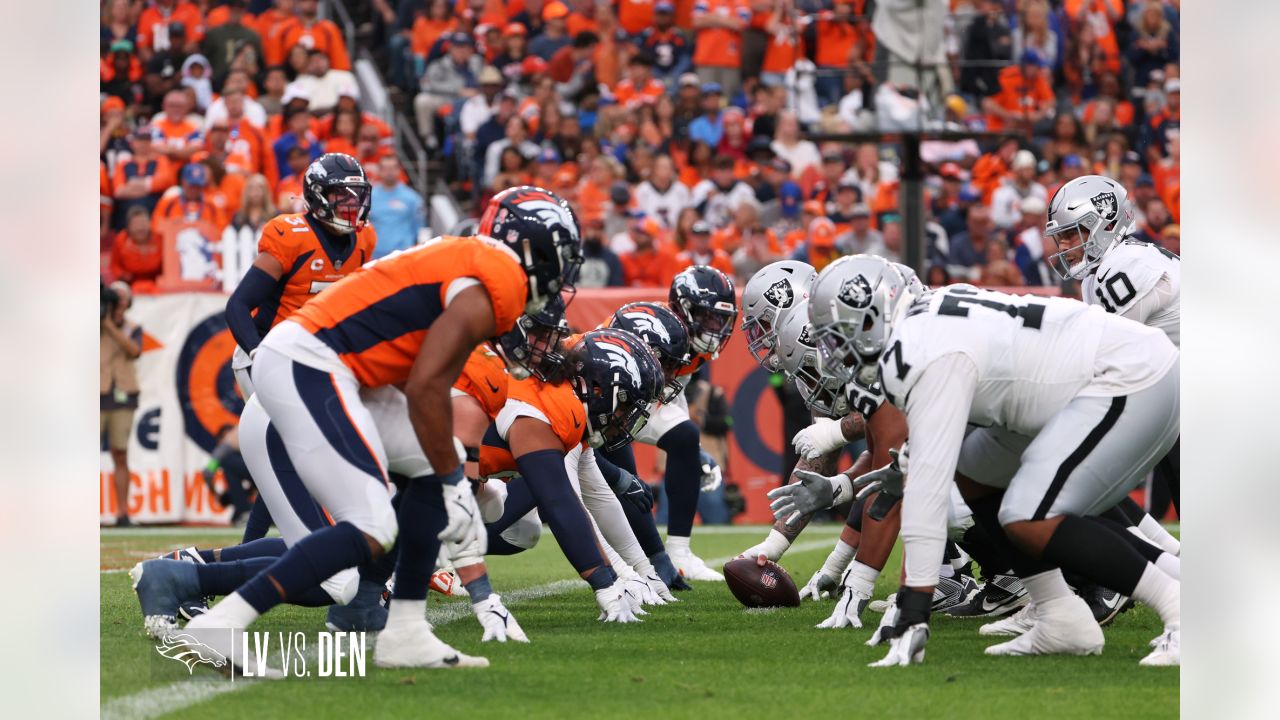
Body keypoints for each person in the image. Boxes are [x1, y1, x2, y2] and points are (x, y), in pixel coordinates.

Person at [178, 186, 583, 672]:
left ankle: (406, 632)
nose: (564, 271)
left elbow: (419, 377)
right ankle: (221, 622)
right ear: (534, 248)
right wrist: (457, 481)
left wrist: (447, 475)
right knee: (373, 523)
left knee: (432, 472)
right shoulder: (499, 280)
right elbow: (429, 387)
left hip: (345, 366)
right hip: (310, 359)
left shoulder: (476, 260)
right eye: (561, 255)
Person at [792, 259, 1180, 666]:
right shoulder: (927, 321)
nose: (836, 351)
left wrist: (912, 608)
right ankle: (1060, 616)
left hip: (1128, 375)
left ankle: (1180, 608)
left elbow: (927, 486)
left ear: (874, 317)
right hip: (1102, 377)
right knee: (973, 469)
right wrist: (904, 465)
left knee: (1030, 516)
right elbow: (939, 440)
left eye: (840, 336)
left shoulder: (921, 350)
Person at [599, 266, 739, 581]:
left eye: (722, 320)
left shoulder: (693, 344)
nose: (717, 328)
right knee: (621, 475)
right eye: (710, 317)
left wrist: (693, 450)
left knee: (685, 437)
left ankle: (677, 554)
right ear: (685, 309)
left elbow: (673, 390)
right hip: (601, 399)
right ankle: (636, 562)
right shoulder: (653, 328)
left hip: (638, 397)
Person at [224, 154, 379, 400]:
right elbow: (238, 305)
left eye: (356, 195)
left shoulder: (364, 238)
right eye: (342, 194)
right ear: (318, 195)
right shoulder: (291, 235)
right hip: (270, 348)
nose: (352, 203)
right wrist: (258, 353)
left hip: (318, 354)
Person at [101, 281, 143, 527]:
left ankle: (122, 512)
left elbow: (133, 350)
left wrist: (108, 324)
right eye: (114, 297)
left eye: (123, 297)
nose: (118, 302)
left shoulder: (132, 327)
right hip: (96, 393)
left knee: (120, 453)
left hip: (123, 395)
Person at [415, 32, 482, 148]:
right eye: (457, 47)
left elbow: (487, 79)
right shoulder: (439, 64)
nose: (461, 51)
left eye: (464, 47)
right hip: (449, 99)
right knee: (422, 100)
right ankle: (428, 137)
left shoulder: (477, 62)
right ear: (450, 48)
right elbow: (428, 85)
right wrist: (458, 90)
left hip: (474, 100)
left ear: (470, 49)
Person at [369, 155, 424, 259]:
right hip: (374, 255)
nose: (389, 172)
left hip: (403, 255)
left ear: (399, 170)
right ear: (379, 170)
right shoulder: (369, 197)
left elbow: (418, 227)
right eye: (386, 168)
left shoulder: (412, 198)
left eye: (393, 168)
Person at [109, 207, 164, 288]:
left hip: (158, 284)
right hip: (129, 284)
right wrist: (122, 275)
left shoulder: (161, 238)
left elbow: (168, 266)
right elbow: (114, 266)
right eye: (136, 224)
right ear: (128, 226)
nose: (140, 228)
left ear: (150, 223)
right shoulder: (120, 240)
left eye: (143, 223)